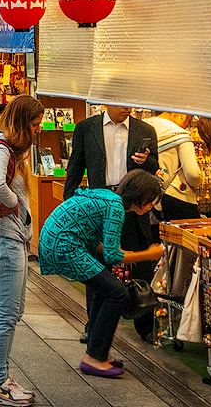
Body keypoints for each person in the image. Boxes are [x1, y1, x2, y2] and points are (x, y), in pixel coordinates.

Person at [39, 168, 164, 377]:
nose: (152, 206)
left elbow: (103, 245)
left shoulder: (110, 197)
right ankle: (94, 357)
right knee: (118, 293)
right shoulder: (116, 207)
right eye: (151, 201)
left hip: (58, 240)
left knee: (106, 290)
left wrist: (118, 251)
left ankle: (97, 351)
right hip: (63, 246)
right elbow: (113, 256)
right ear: (141, 198)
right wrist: (149, 254)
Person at [64, 104, 160, 343]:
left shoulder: (145, 129)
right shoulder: (86, 128)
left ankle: (145, 324)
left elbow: (155, 168)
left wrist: (147, 161)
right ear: (107, 101)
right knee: (97, 265)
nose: (127, 107)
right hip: (100, 204)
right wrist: (69, 202)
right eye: (121, 102)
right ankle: (94, 324)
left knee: (141, 262)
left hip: (135, 204)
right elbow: (75, 166)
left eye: (130, 103)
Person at [0, 95, 44, 406]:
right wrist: (13, 203)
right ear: (21, 123)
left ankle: (1, 376)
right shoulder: (2, 149)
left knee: (13, 311)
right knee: (6, 313)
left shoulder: (8, 149)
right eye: (34, 125)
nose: (39, 130)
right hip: (4, 238)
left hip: (12, 238)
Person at [146, 110, 202, 222]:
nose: (186, 125)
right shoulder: (180, 135)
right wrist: (197, 181)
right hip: (177, 196)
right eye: (188, 119)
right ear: (181, 114)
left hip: (148, 196)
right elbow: (192, 174)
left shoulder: (143, 127)